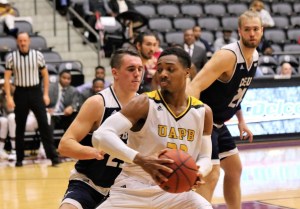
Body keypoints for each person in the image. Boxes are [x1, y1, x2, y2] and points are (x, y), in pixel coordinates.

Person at [92, 47, 213, 209]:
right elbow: (100, 136)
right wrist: (141, 160)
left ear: (187, 72)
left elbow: (206, 158)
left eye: (170, 69)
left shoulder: (203, 112)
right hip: (132, 189)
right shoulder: (144, 103)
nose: (163, 74)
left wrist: (198, 172)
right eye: (160, 69)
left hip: (174, 194)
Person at [186, 10, 263, 209]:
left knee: (235, 168)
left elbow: (237, 92)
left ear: (262, 31)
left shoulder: (254, 56)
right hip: (205, 122)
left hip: (220, 123)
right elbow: (195, 85)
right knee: (212, 174)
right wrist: (191, 120)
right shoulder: (227, 56)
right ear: (239, 31)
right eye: (247, 30)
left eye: (256, 29)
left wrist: (241, 120)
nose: (252, 34)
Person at [58, 48, 143, 209]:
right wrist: (93, 152)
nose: (137, 74)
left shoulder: (145, 106)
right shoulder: (98, 103)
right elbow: (65, 145)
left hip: (126, 189)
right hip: (88, 184)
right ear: (115, 73)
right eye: (131, 69)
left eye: (140, 69)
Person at [4, 32, 60, 167]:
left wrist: (45, 94)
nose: (23, 43)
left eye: (25, 40)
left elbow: (45, 76)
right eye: (20, 40)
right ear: (18, 42)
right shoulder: (11, 57)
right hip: (20, 93)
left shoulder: (38, 55)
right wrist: (9, 97)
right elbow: (6, 79)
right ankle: (19, 158)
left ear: (29, 41)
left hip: (35, 92)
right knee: (20, 127)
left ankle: (53, 157)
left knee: (44, 125)